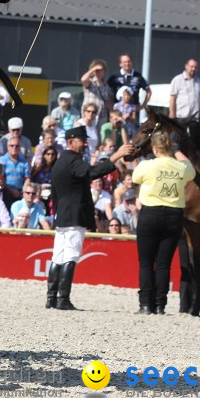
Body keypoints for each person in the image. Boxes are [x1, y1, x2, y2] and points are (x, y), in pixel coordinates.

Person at [46, 126, 133, 310]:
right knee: (70, 256)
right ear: (71, 142)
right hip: (75, 215)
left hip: (62, 215)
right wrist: (116, 156)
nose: (85, 144)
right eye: (82, 140)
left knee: (58, 256)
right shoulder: (74, 161)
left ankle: (51, 298)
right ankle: (63, 299)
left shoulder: (60, 162)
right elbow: (92, 173)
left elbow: (55, 194)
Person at [132, 131, 196, 315]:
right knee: (163, 264)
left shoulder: (147, 165)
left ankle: (145, 304)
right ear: (170, 147)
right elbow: (191, 169)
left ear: (154, 148)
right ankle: (160, 305)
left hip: (150, 213)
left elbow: (135, 177)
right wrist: (176, 151)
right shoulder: (181, 167)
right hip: (173, 215)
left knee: (146, 263)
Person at [0, 136, 30, 203]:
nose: (14, 148)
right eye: (12, 145)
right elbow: (1, 179)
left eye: (17, 146)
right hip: (6, 191)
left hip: (21, 191)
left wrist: (23, 190)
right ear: (7, 147)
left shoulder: (24, 161)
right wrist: (11, 190)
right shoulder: (1, 161)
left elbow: (27, 178)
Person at [80, 59, 114, 125]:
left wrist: (111, 113)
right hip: (90, 114)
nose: (99, 72)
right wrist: (93, 69)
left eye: (101, 70)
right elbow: (83, 79)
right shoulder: (90, 82)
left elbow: (109, 101)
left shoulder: (106, 86)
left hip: (102, 115)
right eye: (97, 71)